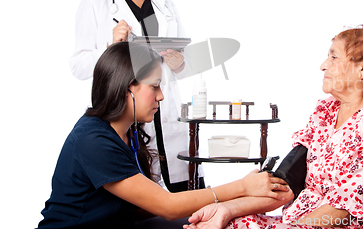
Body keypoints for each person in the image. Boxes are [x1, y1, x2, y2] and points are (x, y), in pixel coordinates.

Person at [184, 25, 363, 229]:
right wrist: (225, 209)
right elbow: (287, 183)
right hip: (302, 221)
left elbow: (352, 205)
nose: (322, 65)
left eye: (334, 57)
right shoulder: (327, 111)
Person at [39, 42, 292, 229]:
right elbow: (166, 206)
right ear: (127, 88)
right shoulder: (93, 141)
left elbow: (143, 207)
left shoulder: (128, 133)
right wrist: (242, 187)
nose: (161, 96)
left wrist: (214, 207)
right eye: (154, 86)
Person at [69, 0, 196, 192]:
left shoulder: (165, 5)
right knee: (140, 199)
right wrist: (111, 47)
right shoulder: (96, 5)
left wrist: (179, 62)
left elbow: (186, 62)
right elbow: (78, 67)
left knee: (186, 194)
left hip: (166, 110)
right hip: (126, 110)